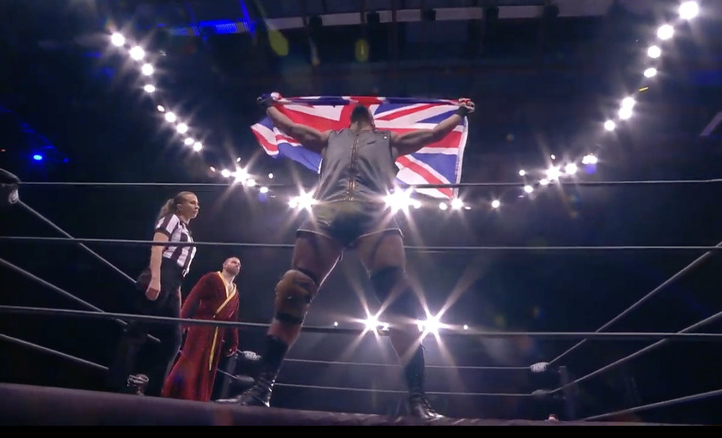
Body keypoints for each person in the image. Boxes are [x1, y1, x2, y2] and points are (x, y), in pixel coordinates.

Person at [217, 94, 475, 419]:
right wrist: (268, 107)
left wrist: (458, 114)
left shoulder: (388, 139)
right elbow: (291, 128)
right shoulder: (329, 138)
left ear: (372, 119)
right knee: (293, 289)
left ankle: (417, 399)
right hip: (328, 212)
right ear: (351, 117)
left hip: (373, 214)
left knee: (399, 303)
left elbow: (431, 135)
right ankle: (262, 389)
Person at [106, 191, 199, 397]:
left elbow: (181, 272)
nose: (197, 206)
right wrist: (156, 278)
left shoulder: (188, 231)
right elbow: (157, 248)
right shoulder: (171, 219)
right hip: (162, 273)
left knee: (174, 339)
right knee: (138, 331)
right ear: (179, 206)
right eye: (192, 202)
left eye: (197, 203)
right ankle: (117, 384)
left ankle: (153, 387)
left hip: (174, 283)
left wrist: (178, 296)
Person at [162, 257, 243, 402]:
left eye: (238, 264)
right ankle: (176, 392)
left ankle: (198, 398)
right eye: (233, 262)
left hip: (217, 333)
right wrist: (182, 321)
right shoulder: (211, 278)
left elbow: (233, 319)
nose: (236, 264)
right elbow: (194, 296)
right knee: (191, 359)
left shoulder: (235, 294)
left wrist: (233, 342)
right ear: (224, 264)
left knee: (208, 367)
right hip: (201, 326)